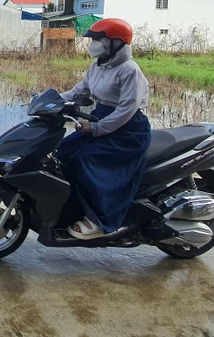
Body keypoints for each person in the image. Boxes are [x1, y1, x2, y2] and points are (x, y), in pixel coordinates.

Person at [58, 18, 151, 240]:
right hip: (99, 121)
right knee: (62, 152)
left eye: (98, 39)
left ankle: (100, 220)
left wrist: (97, 128)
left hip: (128, 131)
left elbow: (126, 110)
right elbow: (79, 92)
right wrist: (50, 100)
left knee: (85, 160)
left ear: (115, 43)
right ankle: (74, 208)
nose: (93, 44)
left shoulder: (130, 71)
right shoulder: (98, 66)